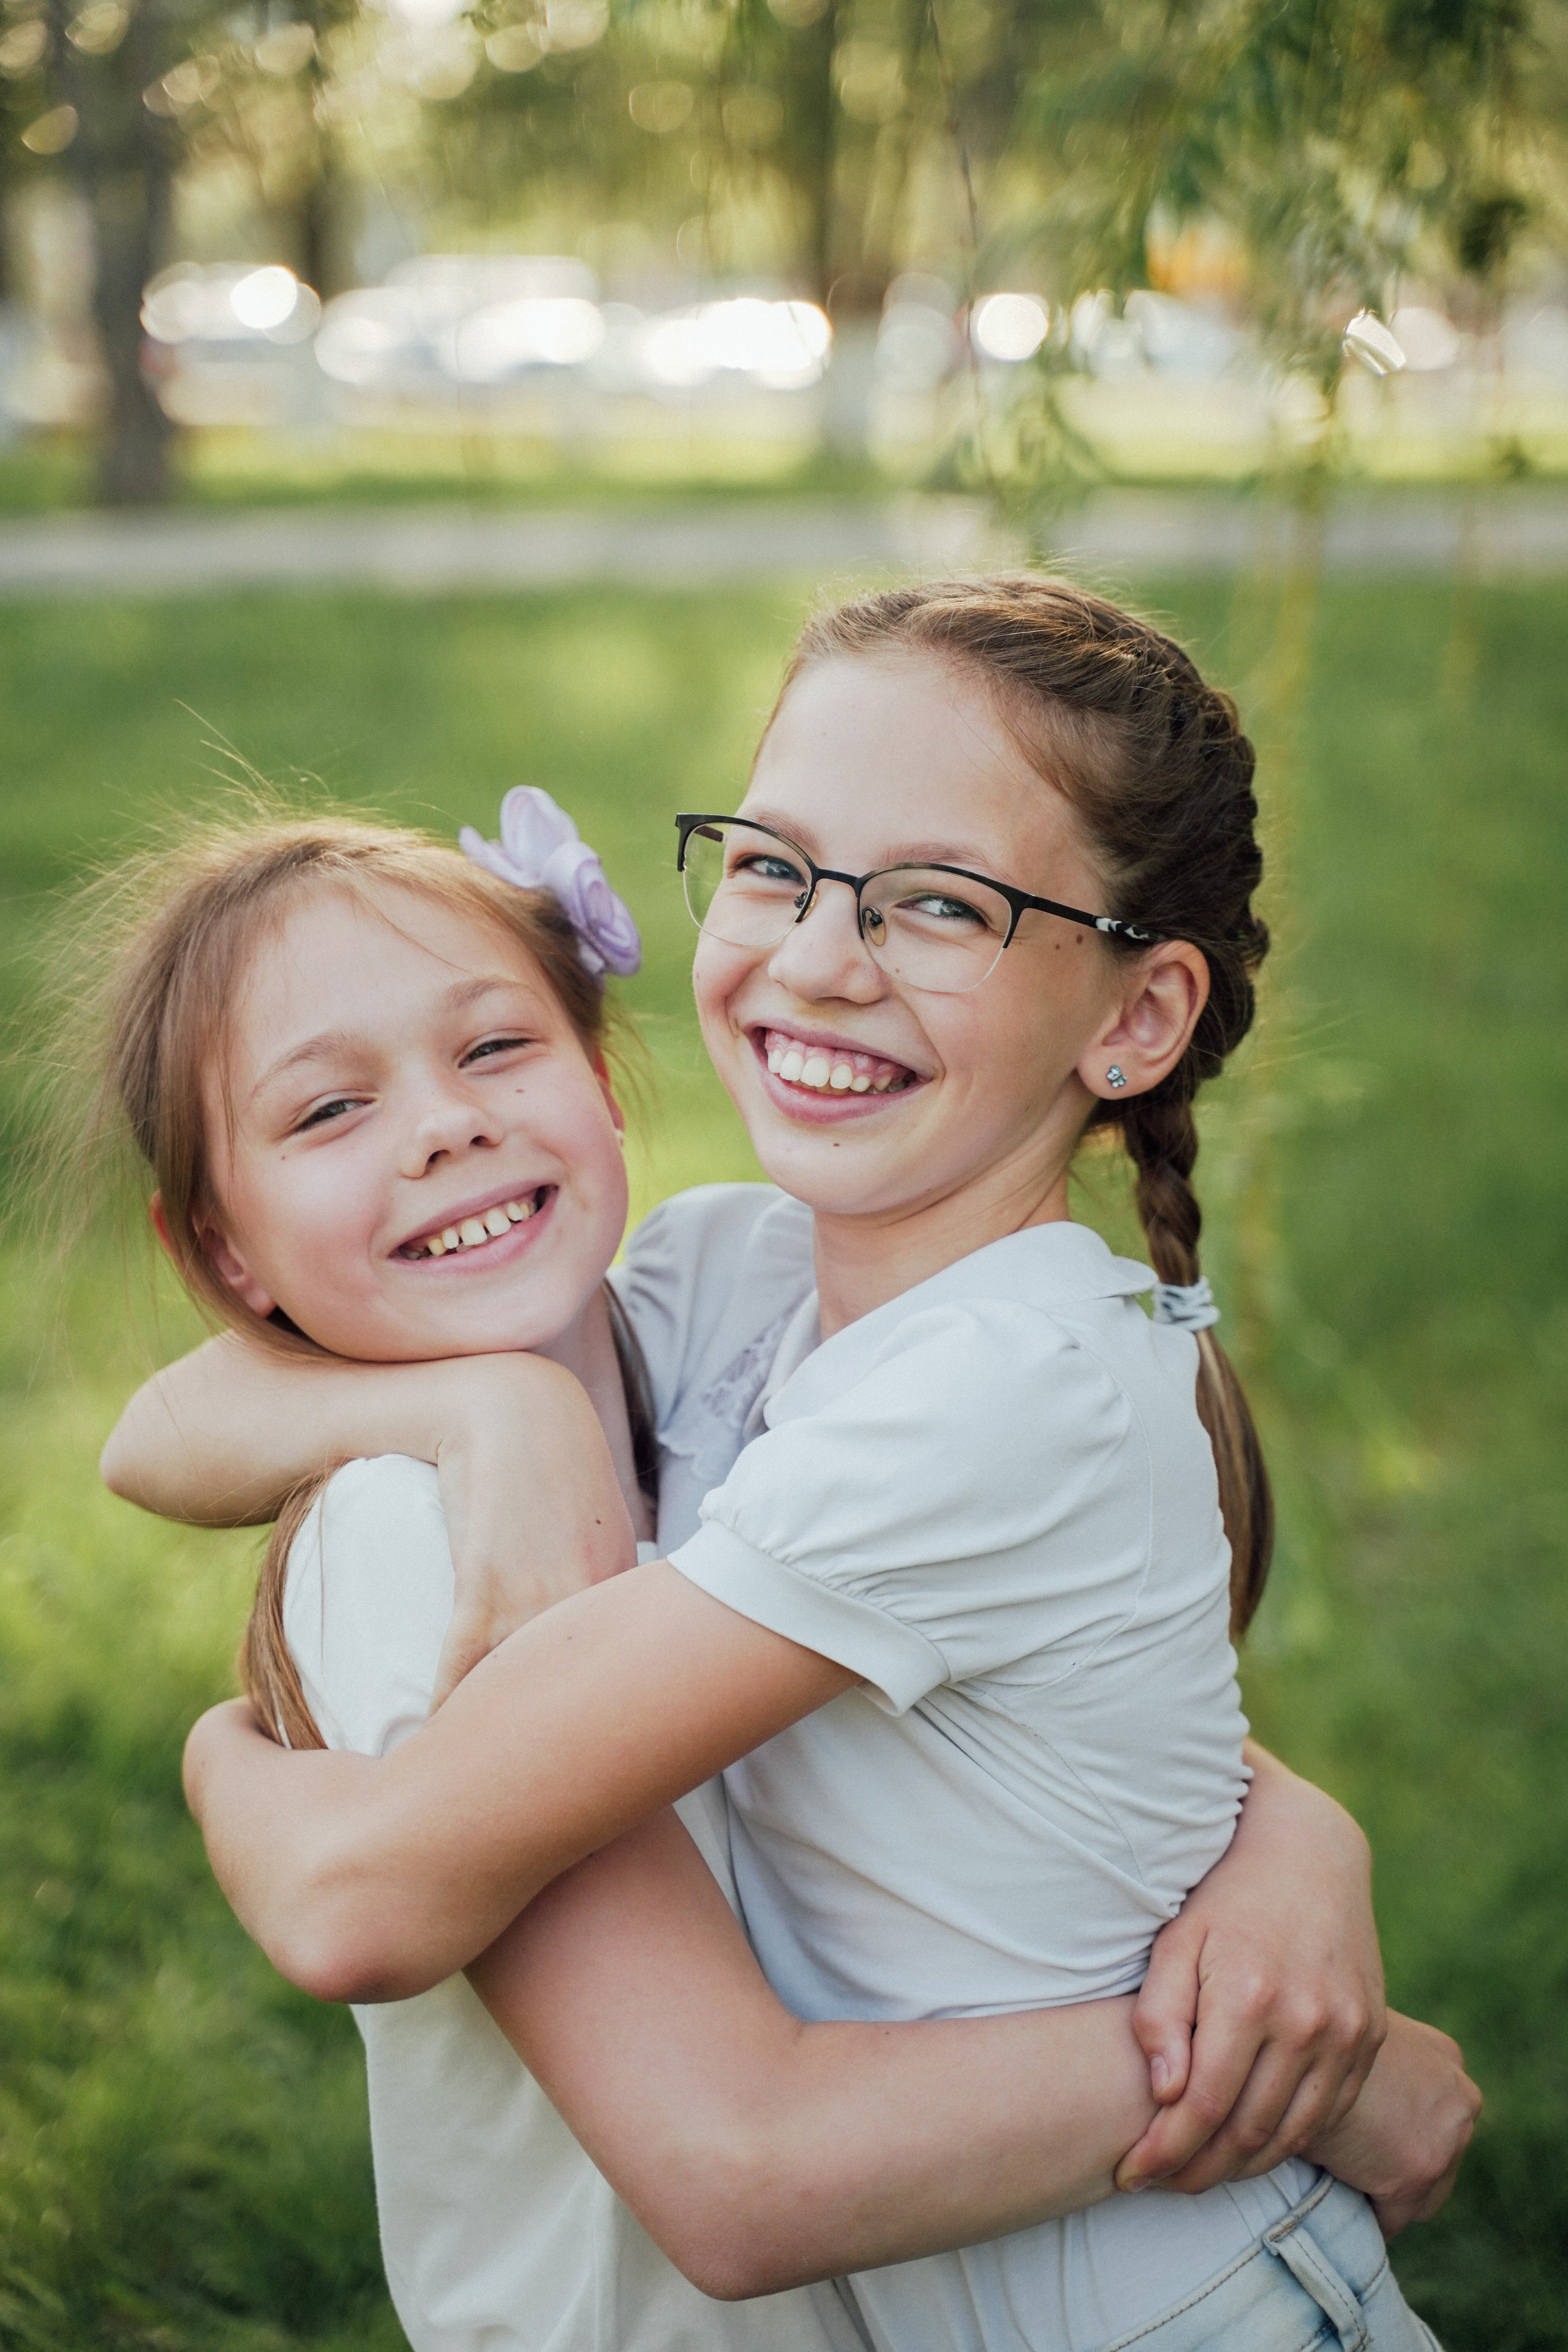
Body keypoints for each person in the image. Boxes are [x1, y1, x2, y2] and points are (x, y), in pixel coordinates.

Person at [105, 582, 1476, 2348]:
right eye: (775, 867)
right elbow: (163, 1426)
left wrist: (226, 1765)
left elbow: (361, 1890)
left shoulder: (995, 1394)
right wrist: (489, 1410)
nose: (824, 958)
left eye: (937, 903)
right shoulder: (730, 1278)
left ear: (1134, 1022)